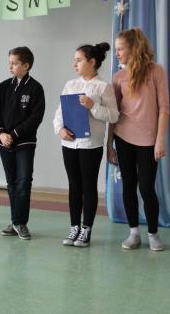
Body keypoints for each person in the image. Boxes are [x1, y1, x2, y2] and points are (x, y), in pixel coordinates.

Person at [106, 28, 170, 251]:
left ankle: (153, 233)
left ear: (134, 48)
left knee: (146, 188)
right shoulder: (118, 77)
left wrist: (160, 140)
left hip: (149, 141)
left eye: (121, 49)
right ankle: (134, 232)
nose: (117, 53)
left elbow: (164, 108)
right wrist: (109, 145)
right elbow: (113, 114)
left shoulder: (156, 71)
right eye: (116, 49)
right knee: (128, 186)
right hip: (123, 137)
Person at [52, 42, 119, 247]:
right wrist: (60, 129)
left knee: (88, 187)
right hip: (69, 144)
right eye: (75, 60)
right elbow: (59, 113)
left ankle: (86, 229)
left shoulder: (103, 86)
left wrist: (93, 106)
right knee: (74, 186)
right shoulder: (70, 84)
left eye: (79, 60)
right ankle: (74, 227)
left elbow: (114, 116)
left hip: (91, 145)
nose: (75, 64)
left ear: (92, 62)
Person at [0, 47, 45, 240]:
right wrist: (1, 133)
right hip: (4, 143)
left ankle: (20, 223)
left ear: (26, 65)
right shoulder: (4, 86)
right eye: (10, 63)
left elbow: (35, 118)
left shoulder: (35, 88)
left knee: (23, 181)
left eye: (14, 63)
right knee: (12, 183)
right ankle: (15, 222)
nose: (10, 67)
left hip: (25, 143)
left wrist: (13, 134)